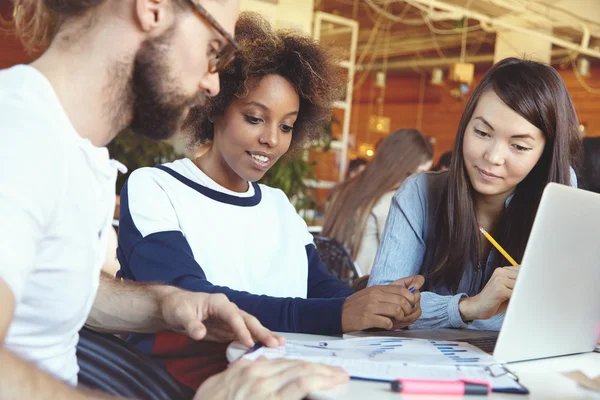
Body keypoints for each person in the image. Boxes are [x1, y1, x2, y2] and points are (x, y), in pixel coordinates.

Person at [0, 1, 348, 399]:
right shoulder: (18, 133)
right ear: (152, 8)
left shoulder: (76, 151)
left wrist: (165, 303)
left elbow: (57, 289)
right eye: (214, 49)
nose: (214, 84)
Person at [117, 12, 424, 388]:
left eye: (286, 126)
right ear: (215, 108)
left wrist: (378, 306)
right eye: (254, 118)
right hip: (182, 386)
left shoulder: (278, 205)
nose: (272, 140)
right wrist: (340, 313)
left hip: (275, 379)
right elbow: (189, 297)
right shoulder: (156, 187)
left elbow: (321, 288)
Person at [368, 58, 583, 331]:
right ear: (465, 126)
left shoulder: (559, 193)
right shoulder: (419, 193)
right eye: (482, 132)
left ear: (545, 154)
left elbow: (562, 312)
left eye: (518, 146)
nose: (493, 157)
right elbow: (380, 305)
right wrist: (469, 307)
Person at [323, 129, 433, 275]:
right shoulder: (391, 201)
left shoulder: (342, 191)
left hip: (332, 285)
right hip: (366, 290)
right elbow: (405, 260)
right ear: (405, 168)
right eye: (419, 173)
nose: (421, 181)